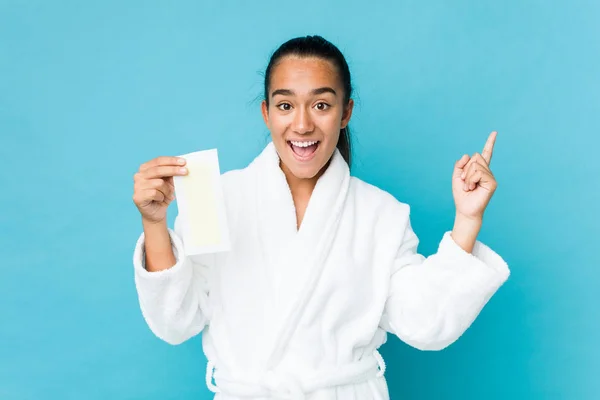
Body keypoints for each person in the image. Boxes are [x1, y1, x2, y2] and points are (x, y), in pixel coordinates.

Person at [131, 35, 510, 400]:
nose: (301, 125)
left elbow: (425, 323)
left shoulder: (382, 215)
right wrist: (155, 224)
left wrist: (467, 218)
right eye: (285, 106)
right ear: (266, 113)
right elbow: (175, 320)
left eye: (321, 105)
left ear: (345, 112)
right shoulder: (218, 200)